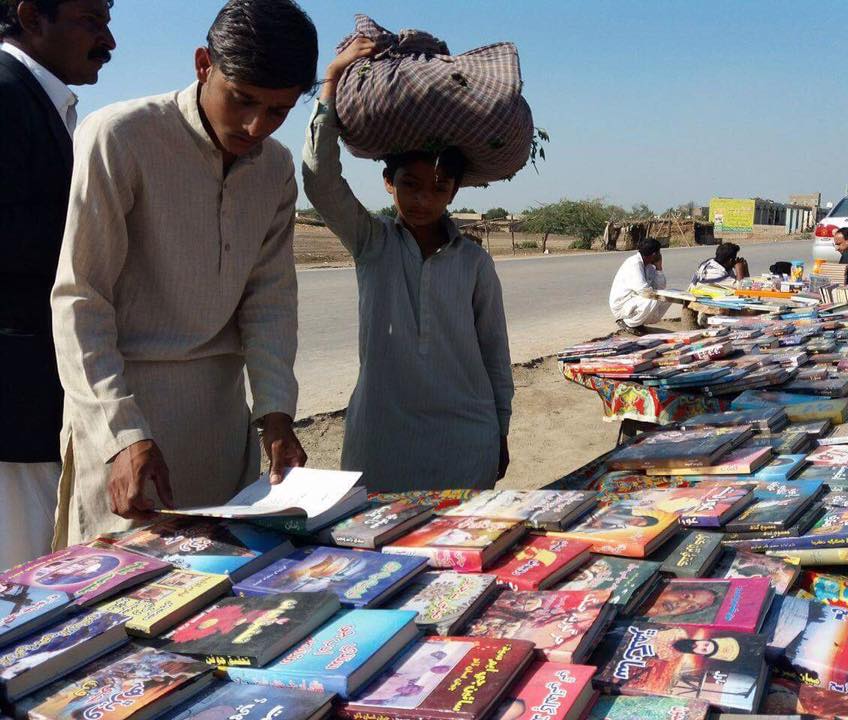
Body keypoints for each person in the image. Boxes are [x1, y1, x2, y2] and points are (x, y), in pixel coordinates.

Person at [50, 0, 314, 545]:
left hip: (222, 425)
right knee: (126, 606)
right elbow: (81, 300)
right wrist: (121, 436)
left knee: (237, 602)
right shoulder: (118, 136)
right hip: (129, 423)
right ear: (202, 65)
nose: (255, 125)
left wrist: (276, 417)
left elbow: (270, 302)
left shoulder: (277, 167)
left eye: (278, 111)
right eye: (242, 100)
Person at [302, 38, 513, 492]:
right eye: (409, 184)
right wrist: (333, 79)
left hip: (466, 440)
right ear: (387, 182)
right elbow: (320, 178)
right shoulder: (371, 242)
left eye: (438, 187)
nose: (422, 199)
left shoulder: (474, 262)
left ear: (455, 191)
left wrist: (501, 427)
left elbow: (495, 352)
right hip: (382, 444)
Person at [0, 0, 115, 569]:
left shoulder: (40, 102)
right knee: (21, 584)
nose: (109, 42)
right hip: (14, 408)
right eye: (92, 22)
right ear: (30, 16)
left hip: (33, 403)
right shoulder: (5, 94)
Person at [609, 238, 670, 331]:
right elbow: (644, 291)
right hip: (622, 305)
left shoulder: (648, 265)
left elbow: (660, 287)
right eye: (658, 253)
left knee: (668, 297)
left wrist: (659, 268)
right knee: (654, 299)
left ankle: (638, 322)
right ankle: (628, 323)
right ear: (654, 254)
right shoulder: (634, 264)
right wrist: (656, 293)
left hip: (634, 301)